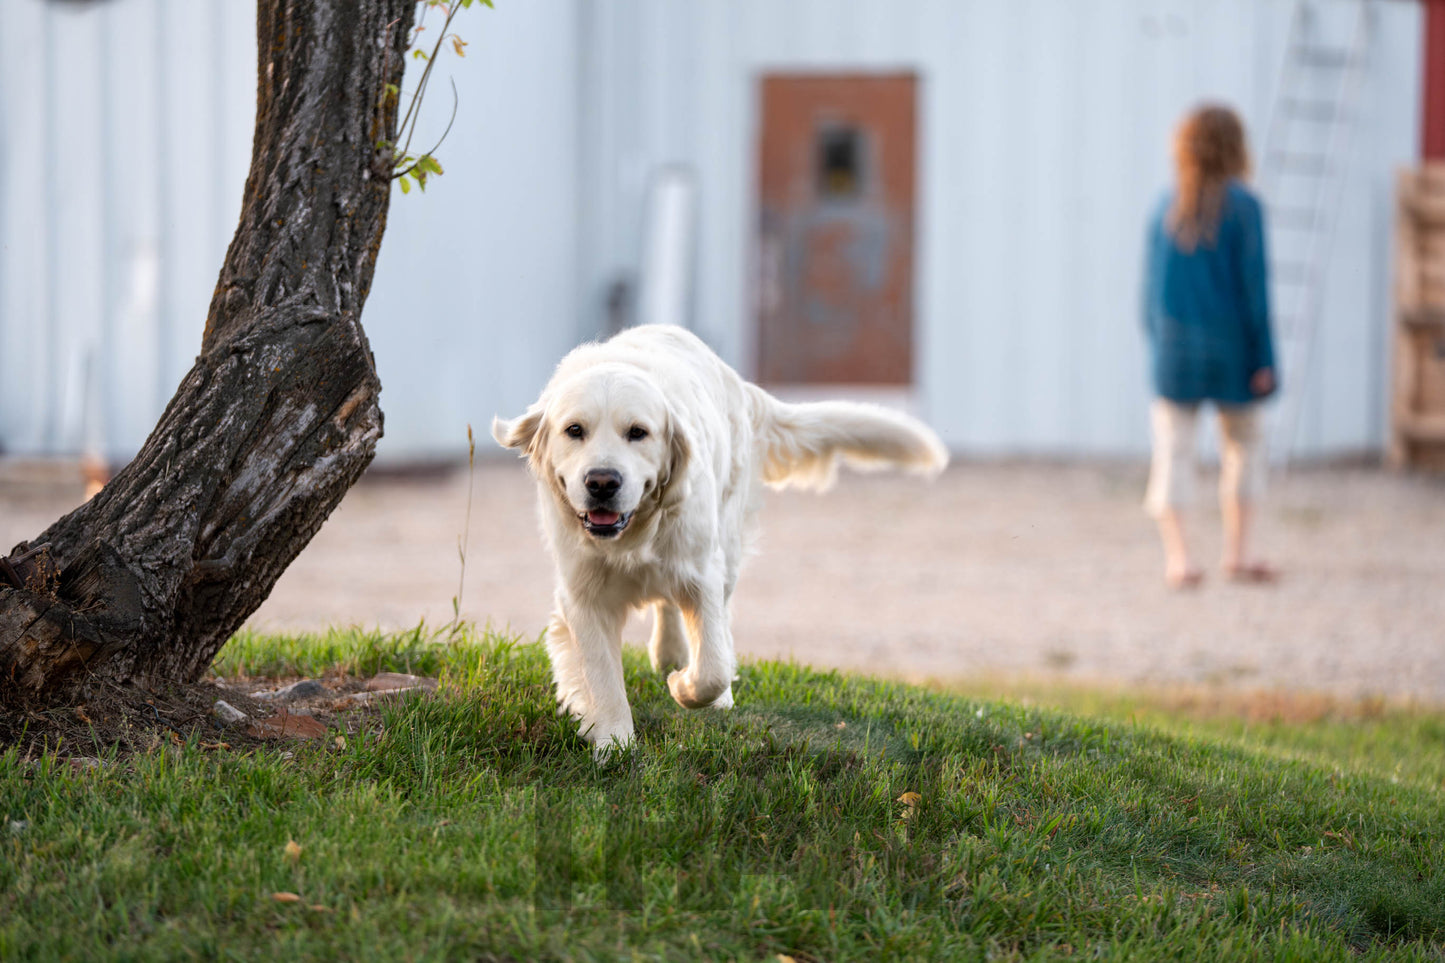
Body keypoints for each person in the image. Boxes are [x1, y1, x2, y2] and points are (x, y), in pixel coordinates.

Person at [1142, 104, 1279, 589]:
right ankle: (1238, 553)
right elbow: (1255, 292)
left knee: (1173, 452)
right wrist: (1265, 359)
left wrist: (1158, 347)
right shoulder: (1245, 207)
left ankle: (1179, 559)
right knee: (1244, 447)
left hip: (1175, 352)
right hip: (1233, 353)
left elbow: (1150, 296)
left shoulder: (1165, 207)